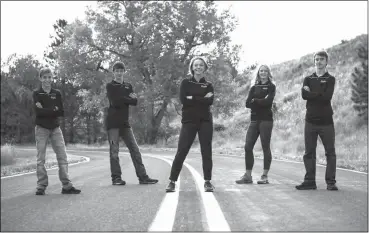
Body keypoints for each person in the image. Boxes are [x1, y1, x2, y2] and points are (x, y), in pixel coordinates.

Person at [166, 56, 215, 192]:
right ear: (192, 67)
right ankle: (172, 181)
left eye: (201, 65)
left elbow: (210, 102)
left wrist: (192, 98)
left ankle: (207, 182)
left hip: (205, 120)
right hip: (189, 121)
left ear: (205, 67)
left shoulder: (209, 85)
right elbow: (183, 100)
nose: (198, 67)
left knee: (206, 151)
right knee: (182, 150)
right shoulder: (185, 83)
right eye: (196, 65)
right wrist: (201, 98)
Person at [106, 61, 158, 185]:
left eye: (121, 70)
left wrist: (125, 99)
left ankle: (143, 177)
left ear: (124, 72)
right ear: (114, 72)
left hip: (125, 124)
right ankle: (116, 178)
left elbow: (134, 102)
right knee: (114, 151)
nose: (119, 73)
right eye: (117, 71)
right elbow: (114, 102)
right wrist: (127, 99)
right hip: (113, 124)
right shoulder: (110, 86)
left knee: (135, 149)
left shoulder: (128, 86)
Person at [33, 67, 81, 195]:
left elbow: (61, 112)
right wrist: (52, 109)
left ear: (52, 78)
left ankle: (67, 186)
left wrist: (45, 109)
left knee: (62, 156)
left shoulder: (57, 93)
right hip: (41, 128)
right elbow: (38, 112)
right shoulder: (37, 94)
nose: (47, 80)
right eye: (45, 77)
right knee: (40, 159)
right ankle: (41, 186)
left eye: (49, 77)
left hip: (55, 128)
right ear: (40, 78)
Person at [296, 50, 338, 191]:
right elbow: (303, 95)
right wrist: (318, 93)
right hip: (310, 121)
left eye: (321, 59)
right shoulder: (308, 79)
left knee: (330, 152)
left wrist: (311, 94)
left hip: (326, 122)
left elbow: (327, 97)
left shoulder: (330, 79)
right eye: (316, 59)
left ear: (326, 61)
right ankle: (309, 181)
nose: (318, 61)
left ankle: (331, 182)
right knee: (309, 153)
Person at [236, 65, 276, 185]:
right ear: (258, 73)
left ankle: (264, 176)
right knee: (248, 147)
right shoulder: (253, 87)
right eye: (261, 71)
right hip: (254, 120)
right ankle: (248, 176)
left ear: (268, 73)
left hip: (266, 120)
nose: (263, 73)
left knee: (265, 147)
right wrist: (260, 101)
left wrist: (256, 101)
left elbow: (268, 102)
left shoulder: (271, 87)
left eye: (265, 71)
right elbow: (247, 104)